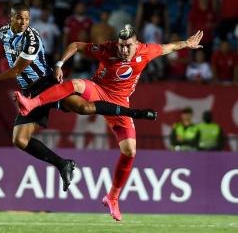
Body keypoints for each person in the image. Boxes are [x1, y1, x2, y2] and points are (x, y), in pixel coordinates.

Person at [15, 24, 204, 221]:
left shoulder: (146, 51)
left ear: (136, 43)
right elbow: (77, 45)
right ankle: (32, 103)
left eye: (128, 46)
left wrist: (186, 44)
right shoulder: (107, 49)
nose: (123, 50)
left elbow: (168, 48)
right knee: (77, 85)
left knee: (130, 150)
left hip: (120, 101)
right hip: (99, 90)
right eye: (121, 45)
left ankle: (112, 197)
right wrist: (60, 63)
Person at [0, 3, 157, 193]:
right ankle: (63, 164)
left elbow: (17, 70)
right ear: (11, 17)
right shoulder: (4, 33)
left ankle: (134, 113)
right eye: (19, 17)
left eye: (27, 18)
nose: (24, 21)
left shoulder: (31, 39)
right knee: (20, 140)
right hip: (28, 90)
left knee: (84, 108)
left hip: (45, 84)